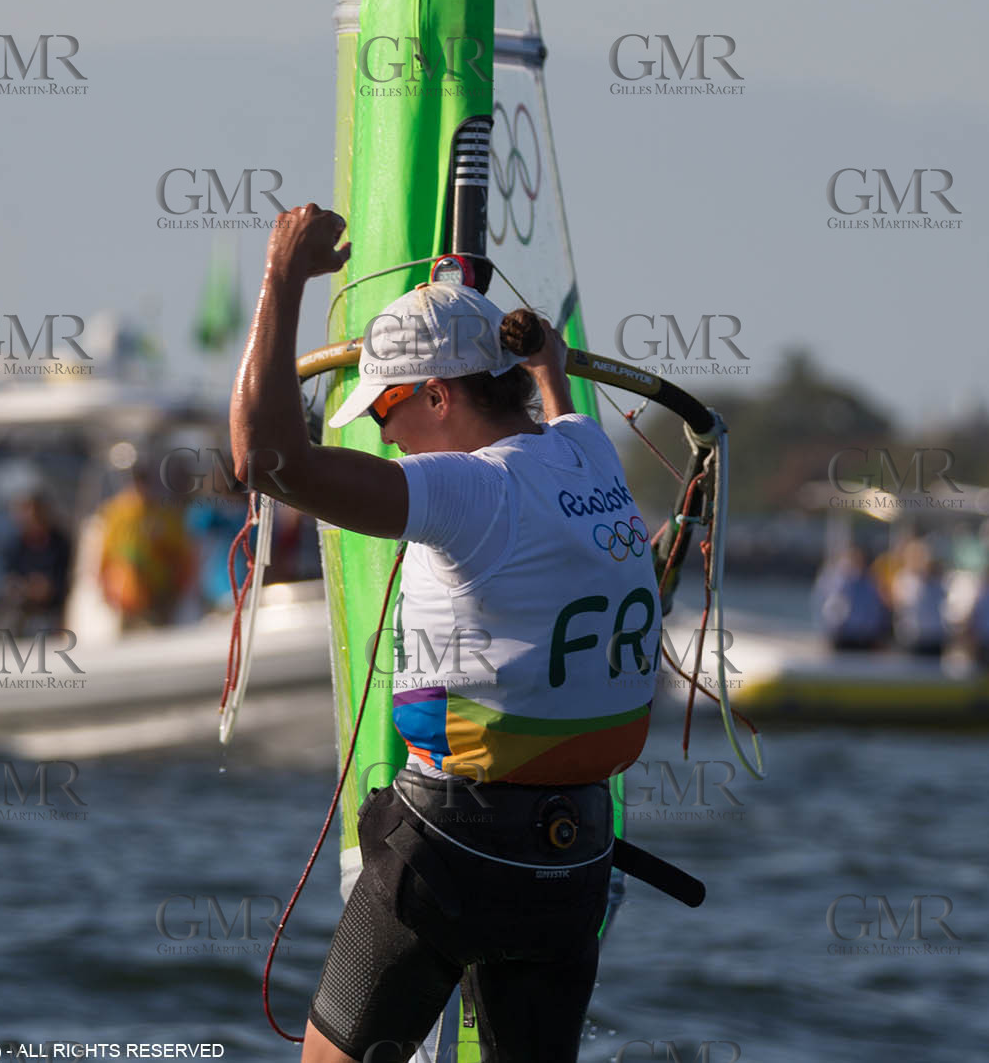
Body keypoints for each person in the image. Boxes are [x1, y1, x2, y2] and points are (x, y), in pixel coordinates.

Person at [230, 203, 665, 1063]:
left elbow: (264, 461)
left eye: (385, 409)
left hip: (454, 851)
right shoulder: (587, 453)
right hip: (575, 858)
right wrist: (549, 365)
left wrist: (281, 275)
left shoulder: (471, 491)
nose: (381, 434)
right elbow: (560, 404)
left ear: (436, 393)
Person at [95, 463, 195, 628]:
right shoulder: (116, 514)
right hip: (125, 598)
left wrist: (178, 592)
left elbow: (182, 556)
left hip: (159, 595)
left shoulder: (166, 515)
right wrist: (106, 591)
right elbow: (105, 556)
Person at [0, 490, 72, 634]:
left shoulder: (60, 544)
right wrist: (20, 587)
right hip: (22, 610)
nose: (29, 520)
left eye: (34, 515)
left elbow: (66, 579)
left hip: (55, 613)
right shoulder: (16, 545)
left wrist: (47, 588)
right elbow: (8, 577)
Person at [812, 544, 891, 651]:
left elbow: (874, 611)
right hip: (840, 637)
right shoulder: (833, 581)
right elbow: (826, 608)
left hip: (865, 639)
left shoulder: (870, 583)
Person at [889, 538, 946, 659]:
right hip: (912, 636)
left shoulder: (936, 580)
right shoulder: (902, 578)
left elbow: (942, 600)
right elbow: (904, 604)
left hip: (934, 636)